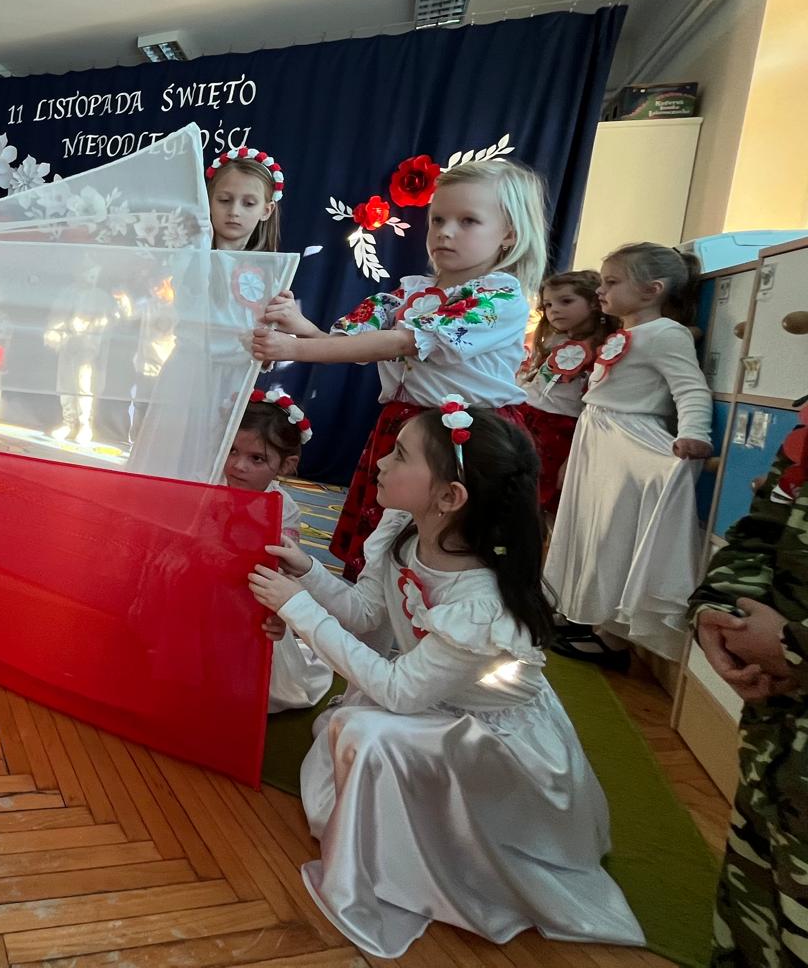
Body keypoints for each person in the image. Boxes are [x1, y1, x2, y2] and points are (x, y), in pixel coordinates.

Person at [248, 403, 642, 959]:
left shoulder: (483, 602)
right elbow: (366, 614)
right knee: (355, 720)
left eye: (400, 455)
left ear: (450, 497)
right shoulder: (403, 532)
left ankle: (436, 859)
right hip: (431, 704)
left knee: (366, 730)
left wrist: (299, 610)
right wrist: (307, 573)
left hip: (494, 740)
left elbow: (398, 691)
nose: (380, 462)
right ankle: (400, 833)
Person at [252, 156, 546, 579]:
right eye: (438, 219)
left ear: (509, 234)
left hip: (464, 438)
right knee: (382, 547)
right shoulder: (412, 293)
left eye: (468, 221)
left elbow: (401, 342)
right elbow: (356, 346)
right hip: (403, 428)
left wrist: (294, 348)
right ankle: (368, 609)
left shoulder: (498, 298)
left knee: (441, 545)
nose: (445, 232)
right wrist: (302, 329)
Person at [545, 243, 712, 664]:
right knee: (589, 528)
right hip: (598, 437)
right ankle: (584, 613)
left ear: (652, 289)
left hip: (628, 437)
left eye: (612, 282)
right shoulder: (625, 333)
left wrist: (694, 433)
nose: (601, 290)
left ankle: (612, 637)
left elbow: (690, 388)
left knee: (613, 534)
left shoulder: (667, 333)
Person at [688, 399, 808, 967]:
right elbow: (764, 527)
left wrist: (793, 646)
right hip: (776, 739)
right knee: (752, 922)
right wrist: (716, 614)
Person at [227, 390, 332, 712]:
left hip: (249, 599)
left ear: (286, 465)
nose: (238, 466)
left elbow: (283, 571)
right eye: (232, 450)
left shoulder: (283, 510)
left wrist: (278, 613)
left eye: (257, 459)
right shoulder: (209, 485)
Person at [515, 269, 618, 518]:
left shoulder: (606, 350)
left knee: (547, 501)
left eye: (566, 301)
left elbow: (592, 408)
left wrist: (572, 458)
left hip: (559, 434)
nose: (554, 310)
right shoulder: (554, 342)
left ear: (594, 303)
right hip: (526, 421)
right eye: (549, 305)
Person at [206, 148, 283, 252]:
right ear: (209, 202)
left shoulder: (273, 263)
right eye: (224, 200)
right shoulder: (185, 256)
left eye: (249, 203)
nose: (234, 212)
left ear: (266, 211)